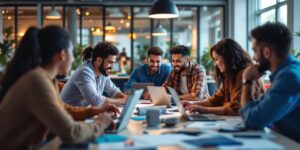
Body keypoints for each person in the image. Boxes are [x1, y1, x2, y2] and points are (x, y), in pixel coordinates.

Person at [0, 26, 114, 149]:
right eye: (71, 52)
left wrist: (96, 111)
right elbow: (71, 132)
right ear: (62, 54)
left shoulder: (46, 79)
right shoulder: (36, 81)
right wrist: (100, 124)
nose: (74, 59)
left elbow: (65, 110)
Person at [240, 22, 300, 143]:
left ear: (267, 52)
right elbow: (257, 109)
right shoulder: (286, 72)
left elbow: (252, 120)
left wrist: (247, 80)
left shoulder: (289, 77)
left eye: (255, 51)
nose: (254, 58)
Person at [184, 39, 264, 115]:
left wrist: (204, 110)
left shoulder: (245, 73)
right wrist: (191, 104)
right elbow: (215, 100)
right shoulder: (230, 75)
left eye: (216, 59)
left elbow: (236, 108)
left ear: (228, 57)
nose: (215, 64)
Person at [60, 41, 128, 107]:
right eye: (110, 62)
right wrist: (122, 101)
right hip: (68, 115)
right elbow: (95, 100)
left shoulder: (103, 73)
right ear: (99, 60)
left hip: (83, 114)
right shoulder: (84, 72)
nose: (112, 67)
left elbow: (114, 91)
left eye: (113, 63)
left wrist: (127, 98)